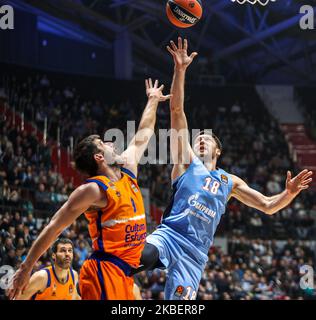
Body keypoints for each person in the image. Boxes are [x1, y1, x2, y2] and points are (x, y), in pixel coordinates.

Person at [133, 38, 313, 300]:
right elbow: (176, 109)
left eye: (207, 139)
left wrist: (289, 194)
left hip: (194, 255)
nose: (200, 140)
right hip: (169, 237)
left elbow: (267, 205)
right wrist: (180, 70)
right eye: (198, 139)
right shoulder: (186, 161)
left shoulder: (230, 181)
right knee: (134, 259)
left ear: (218, 150)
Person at [8, 79, 171, 300]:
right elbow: (55, 226)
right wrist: (26, 268)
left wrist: (152, 100)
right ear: (99, 157)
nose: (113, 144)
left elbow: (144, 131)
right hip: (104, 273)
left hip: (125, 271)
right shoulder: (94, 189)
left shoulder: (128, 170)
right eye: (105, 144)